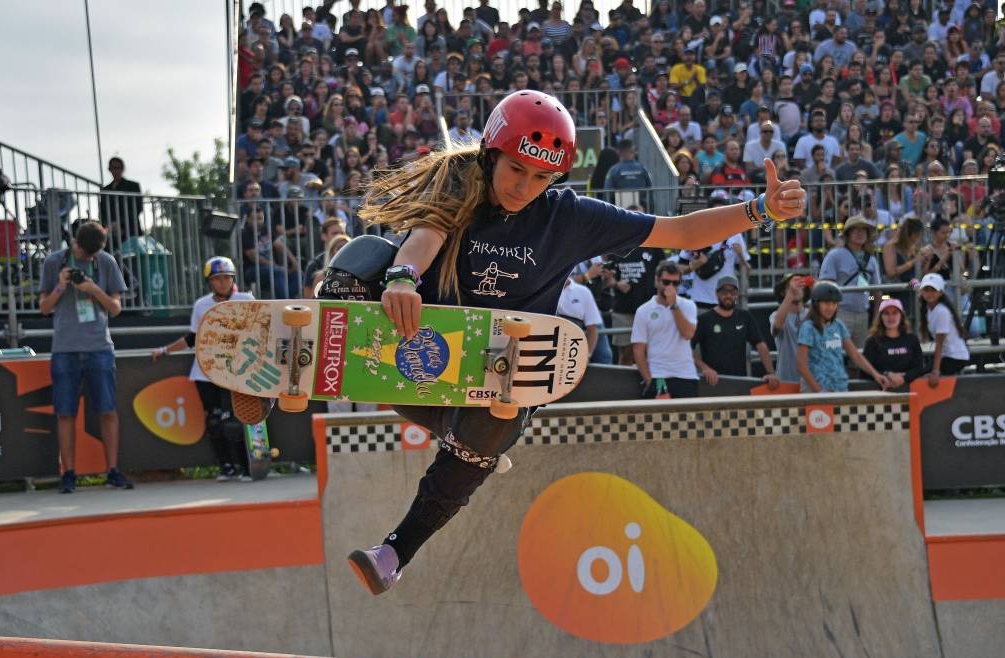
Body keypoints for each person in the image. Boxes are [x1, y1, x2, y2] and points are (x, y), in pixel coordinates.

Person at [337, 90, 805, 595]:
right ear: (492, 153)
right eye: (515, 169)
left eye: (542, 178)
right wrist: (404, 276)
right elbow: (426, 235)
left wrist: (761, 210)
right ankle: (278, 374)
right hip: (419, 340)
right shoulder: (460, 180)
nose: (525, 187)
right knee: (365, 256)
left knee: (498, 419)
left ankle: (394, 552)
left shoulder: (571, 218)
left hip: (496, 375)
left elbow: (681, 232)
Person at [38, 221, 133, 493]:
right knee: (65, 413)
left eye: (93, 256)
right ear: (75, 243)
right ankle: (68, 473)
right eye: (85, 255)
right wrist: (59, 286)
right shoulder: (54, 262)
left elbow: (116, 309)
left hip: (99, 347)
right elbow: (44, 308)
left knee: (107, 409)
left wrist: (93, 289)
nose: (89, 260)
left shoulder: (106, 262)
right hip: (65, 349)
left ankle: (113, 470)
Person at [152, 258, 255, 481]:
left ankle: (247, 467)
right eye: (217, 279)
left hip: (234, 371)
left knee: (234, 422)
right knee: (215, 421)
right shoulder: (202, 305)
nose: (222, 283)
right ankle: (226, 467)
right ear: (210, 282)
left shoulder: (245, 300)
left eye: (226, 278)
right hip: (205, 372)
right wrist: (165, 350)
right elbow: (193, 338)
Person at [797, 281, 891, 393]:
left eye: (834, 303)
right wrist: (819, 390)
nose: (831, 307)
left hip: (839, 387)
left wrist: (876, 375)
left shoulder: (838, 325)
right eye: (826, 303)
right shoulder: (808, 328)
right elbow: (801, 364)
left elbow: (855, 355)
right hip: (816, 390)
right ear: (816, 303)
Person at [692, 275, 779, 388]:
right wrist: (705, 368)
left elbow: (760, 344)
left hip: (739, 382)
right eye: (724, 292)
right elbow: (687, 349)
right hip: (713, 383)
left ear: (737, 295)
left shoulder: (744, 316)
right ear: (717, 294)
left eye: (732, 292)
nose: (728, 295)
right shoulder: (704, 319)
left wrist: (771, 373)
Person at [632, 262, 700, 400]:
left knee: (689, 421)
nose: (670, 287)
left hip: (686, 375)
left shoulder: (688, 306)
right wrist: (649, 380)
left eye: (675, 283)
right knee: (658, 421)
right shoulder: (643, 310)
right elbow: (638, 350)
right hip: (658, 375)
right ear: (656, 281)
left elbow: (688, 334)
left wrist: (673, 305)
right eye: (666, 282)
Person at [818, 215, 881, 347]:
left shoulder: (871, 260)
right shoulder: (834, 255)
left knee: (859, 358)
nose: (860, 233)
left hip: (863, 315)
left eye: (864, 230)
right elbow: (825, 287)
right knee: (836, 354)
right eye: (855, 230)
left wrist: (875, 320)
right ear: (848, 234)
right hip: (840, 313)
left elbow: (877, 293)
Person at [917, 272, 970, 385]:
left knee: (919, 375)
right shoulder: (931, 309)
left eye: (933, 290)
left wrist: (936, 371)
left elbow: (939, 343)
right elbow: (915, 285)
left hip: (954, 358)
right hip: (949, 356)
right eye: (926, 289)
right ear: (921, 292)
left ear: (940, 292)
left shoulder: (941, 312)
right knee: (919, 373)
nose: (929, 293)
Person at [862, 298, 925, 391]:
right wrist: (886, 375)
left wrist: (904, 378)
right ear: (880, 317)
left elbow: (919, 367)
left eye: (895, 313)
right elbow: (865, 371)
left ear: (901, 316)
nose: (891, 317)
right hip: (880, 393)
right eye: (886, 313)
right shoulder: (872, 341)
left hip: (909, 393)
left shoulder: (912, 339)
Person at [769, 274, 811, 385]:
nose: (796, 288)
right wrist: (791, 294)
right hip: (786, 381)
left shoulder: (812, 314)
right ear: (783, 292)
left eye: (800, 285)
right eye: (791, 286)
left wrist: (819, 291)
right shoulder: (776, 315)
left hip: (811, 381)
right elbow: (777, 327)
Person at [555, 276, 604, 361]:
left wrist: (587, 356)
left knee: (605, 356)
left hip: (573, 353)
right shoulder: (540, 289)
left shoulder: (583, 292)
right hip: (545, 349)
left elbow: (592, 329)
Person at [99, 157, 143, 246]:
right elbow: (102, 211)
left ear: (123, 169)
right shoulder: (105, 190)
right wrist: (109, 225)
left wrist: (120, 224)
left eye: (118, 168)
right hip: (111, 232)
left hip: (130, 229)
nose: (116, 171)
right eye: (113, 168)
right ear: (109, 169)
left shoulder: (133, 186)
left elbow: (138, 208)